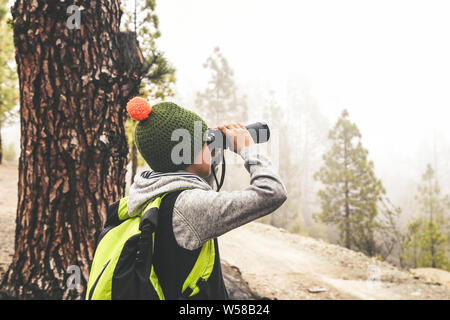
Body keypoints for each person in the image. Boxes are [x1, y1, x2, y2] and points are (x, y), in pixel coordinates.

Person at [126, 97, 287, 299]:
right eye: (204, 143)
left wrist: (210, 152)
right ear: (186, 154)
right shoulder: (189, 207)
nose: (209, 147)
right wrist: (247, 147)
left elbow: (199, 189)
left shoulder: (152, 193)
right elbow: (272, 191)